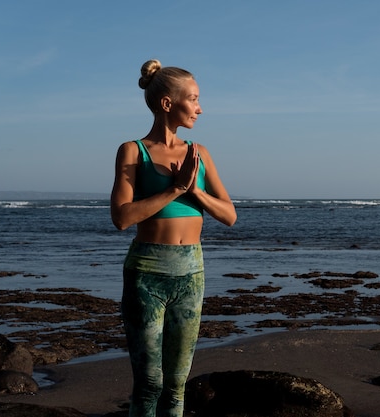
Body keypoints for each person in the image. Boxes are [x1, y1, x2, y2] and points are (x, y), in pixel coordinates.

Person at [110, 59, 237, 417]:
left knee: (176, 386)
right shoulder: (133, 151)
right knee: (149, 383)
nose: (200, 107)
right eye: (193, 99)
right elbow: (122, 218)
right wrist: (176, 189)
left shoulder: (200, 153)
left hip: (191, 273)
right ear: (168, 103)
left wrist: (195, 193)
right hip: (146, 273)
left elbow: (229, 215)